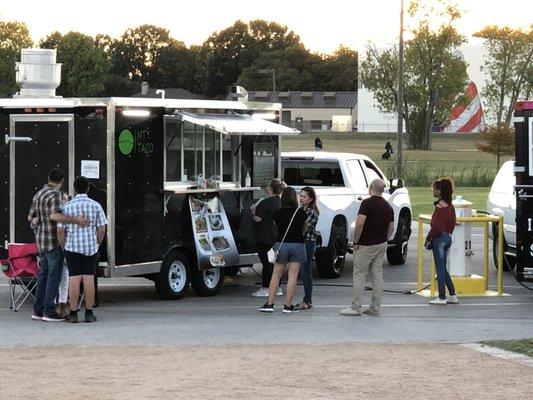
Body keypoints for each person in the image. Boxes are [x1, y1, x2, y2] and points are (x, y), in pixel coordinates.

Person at [28, 168, 89, 322]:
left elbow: (30, 216)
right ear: (61, 181)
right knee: (53, 277)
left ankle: (38, 310)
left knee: (42, 276)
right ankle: (49, 312)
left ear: (49, 178)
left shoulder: (39, 194)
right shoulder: (55, 194)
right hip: (53, 241)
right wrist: (76, 220)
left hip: (41, 241)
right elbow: (55, 215)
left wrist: (37, 221)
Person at [340, 178, 394, 316]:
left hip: (366, 244)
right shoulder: (388, 206)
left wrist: (356, 241)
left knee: (359, 274)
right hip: (381, 243)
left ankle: (356, 306)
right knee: (377, 274)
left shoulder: (367, 203)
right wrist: (385, 238)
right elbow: (391, 228)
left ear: (370, 188)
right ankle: (375, 307)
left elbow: (359, 224)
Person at [57, 176, 108, 323]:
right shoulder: (96, 205)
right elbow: (102, 229)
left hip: (72, 247)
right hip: (90, 248)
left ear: (74, 189)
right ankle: (89, 313)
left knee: (74, 278)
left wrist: (63, 246)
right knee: (88, 278)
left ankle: (73, 313)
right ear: (88, 188)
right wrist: (97, 244)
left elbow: (60, 231)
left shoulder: (67, 207)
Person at [259, 187, 307, 314]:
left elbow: (277, 228)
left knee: (276, 275)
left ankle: (269, 304)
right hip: (297, 245)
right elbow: (304, 228)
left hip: (282, 245)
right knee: (293, 276)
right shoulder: (301, 213)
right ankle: (288, 305)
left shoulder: (277, 213)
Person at [425, 178, 459, 305]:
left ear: (439, 191)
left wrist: (429, 237)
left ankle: (441, 296)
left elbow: (437, 228)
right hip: (447, 237)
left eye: (434, 188)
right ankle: (452, 294)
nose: (432, 190)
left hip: (439, 240)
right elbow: (452, 223)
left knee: (439, 268)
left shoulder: (440, 207)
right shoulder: (450, 206)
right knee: (443, 268)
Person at [251, 178, 283, 297]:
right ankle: (277, 287)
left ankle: (266, 288)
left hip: (264, 237)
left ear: (270, 189)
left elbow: (258, 219)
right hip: (275, 235)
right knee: (275, 262)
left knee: (266, 263)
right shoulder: (279, 201)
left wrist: (253, 211)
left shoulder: (265, 202)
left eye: (267, 186)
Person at [296, 187, 319, 310]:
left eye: (304, 196)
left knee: (306, 270)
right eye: (301, 195)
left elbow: (305, 228)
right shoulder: (299, 210)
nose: (301, 198)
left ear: (310, 199)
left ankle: (308, 299)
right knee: (301, 271)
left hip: (308, 242)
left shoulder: (312, 212)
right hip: (300, 242)